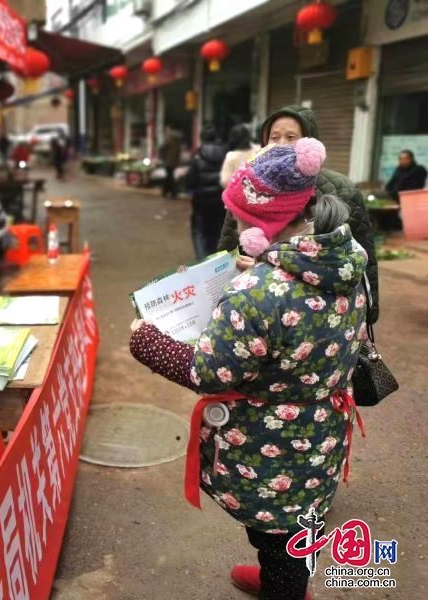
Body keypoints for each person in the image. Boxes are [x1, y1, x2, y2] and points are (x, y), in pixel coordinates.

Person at [130, 138, 368, 600]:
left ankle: (284, 588)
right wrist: (259, 267)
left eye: (241, 215)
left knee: (276, 537)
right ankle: (282, 578)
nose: (236, 222)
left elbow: (210, 373)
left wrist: (147, 341)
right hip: (322, 431)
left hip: (271, 442)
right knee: (302, 522)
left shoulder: (259, 290)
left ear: (270, 220)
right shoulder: (343, 260)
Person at [217, 105, 379, 323]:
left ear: (310, 144)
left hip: (324, 310)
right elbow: (229, 247)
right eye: (274, 138)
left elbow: (362, 255)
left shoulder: (341, 189)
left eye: (291, 137)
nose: (281, 144)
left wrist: (369, 311)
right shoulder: (249, 186)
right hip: (263, 305)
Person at [185, 123, 229, 259]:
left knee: (200, 232)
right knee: (219, 232)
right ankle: (217, 261)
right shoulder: (227, 154)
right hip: (222, 201)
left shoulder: (197, 156)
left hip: (201, 203)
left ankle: (202, 260)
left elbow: (190, 181)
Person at [159, 124, 182, 199]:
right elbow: (178, 152)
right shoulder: (178, 140)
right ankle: (168, 192)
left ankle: (170, 192)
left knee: (169, 177)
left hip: (168, 161)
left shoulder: (170, 138)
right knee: (169, 176)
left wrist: (161, 155)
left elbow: (163, 147)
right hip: (174, 161)